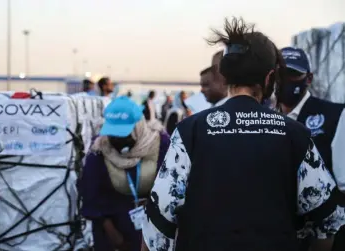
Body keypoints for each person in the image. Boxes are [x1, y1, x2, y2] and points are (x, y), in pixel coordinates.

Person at [141, 17, 345, 251]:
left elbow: (159, 216)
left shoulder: (190, 131)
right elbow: (328, 219)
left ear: (226, 76)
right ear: (270, 78)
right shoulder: (294, 134)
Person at [80, 96, 170, 251]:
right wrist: (113, 234)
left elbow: (172, 185)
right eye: (113, 134)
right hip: (112, 229)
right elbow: (90, 193)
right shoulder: (100, 148)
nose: (116, 140)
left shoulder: (160, 144)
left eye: (123, 134)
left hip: (154, 226)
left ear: (138, 127)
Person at [277, 46, 345, 251]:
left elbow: (343, 183)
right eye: (280, 74)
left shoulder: (335, 114)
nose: (286, 80)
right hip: (277, 230)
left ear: (309, 78)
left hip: (323, 234)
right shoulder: (262, 116)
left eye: (293, 74)